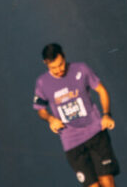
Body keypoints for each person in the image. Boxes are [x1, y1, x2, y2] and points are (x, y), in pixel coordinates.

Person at [33, 44, 119, 187]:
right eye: (53, 68)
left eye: (61, 65)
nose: (59, 70)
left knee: (107, 181)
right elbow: (40, 109)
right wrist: (50, 119)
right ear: (46, 63)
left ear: (64, 55)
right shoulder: (42, 83)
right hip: (72, 143)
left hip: (96, 133)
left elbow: (102, 90)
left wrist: (106, 114)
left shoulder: (81, 69)